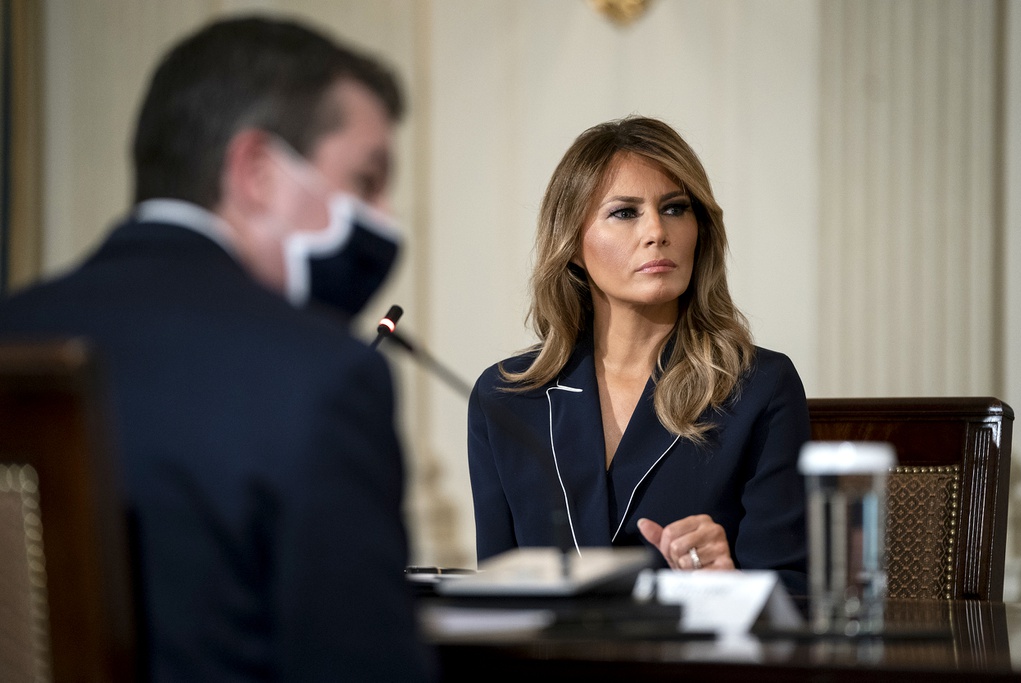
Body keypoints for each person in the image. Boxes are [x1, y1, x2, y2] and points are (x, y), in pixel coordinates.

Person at [0, 15, 436, 682]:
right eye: (367, 180)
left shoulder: (16, 327)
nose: (386, 219)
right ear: (256, 172)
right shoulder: (321, 375)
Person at [468, 115, 810, 595]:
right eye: (625, 212)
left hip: (694, 644)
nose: (656, 231)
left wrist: (729, 584)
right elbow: (496, 594)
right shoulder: (505, 398)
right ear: (572, 245)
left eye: (675, 208)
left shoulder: (759, 386)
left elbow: (796, 594)